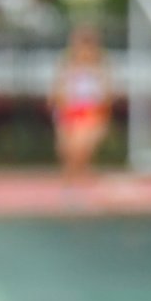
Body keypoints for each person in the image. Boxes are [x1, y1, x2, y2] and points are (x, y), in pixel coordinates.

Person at [47, 25, 112, 186]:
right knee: (67, 151)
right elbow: (57, 92)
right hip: (69, 112)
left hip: (90, 113)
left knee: (81, 148)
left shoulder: (101, 67)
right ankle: (71, 181)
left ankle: (78, 180)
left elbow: (106, 95)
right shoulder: (67, 66)